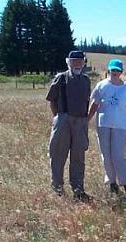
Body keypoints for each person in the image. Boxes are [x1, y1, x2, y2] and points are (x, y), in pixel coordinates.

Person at [45, 50, 92, 200]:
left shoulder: (86, 80)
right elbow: (52, 100)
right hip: (63, 120)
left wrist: (84, 121)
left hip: (81, 122)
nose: (77, 64)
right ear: (68, 63)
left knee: (79, 157)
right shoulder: (61, 78)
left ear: (84, 63)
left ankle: (78, 189)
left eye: (80, 61)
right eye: (74, 61)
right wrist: (59, 118)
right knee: (58, 154)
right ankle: (57, 187)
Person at [88, 58, 126, 195]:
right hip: (103, 125)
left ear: (121, 72)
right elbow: (94, 105)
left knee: (118, 156)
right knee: (106, 155)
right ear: (108, 70)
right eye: (113, 70)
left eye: (118, 70)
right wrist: (86, 120)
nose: (115, 72)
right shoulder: (101, 85)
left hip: (120, 126)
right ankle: (112, 183)